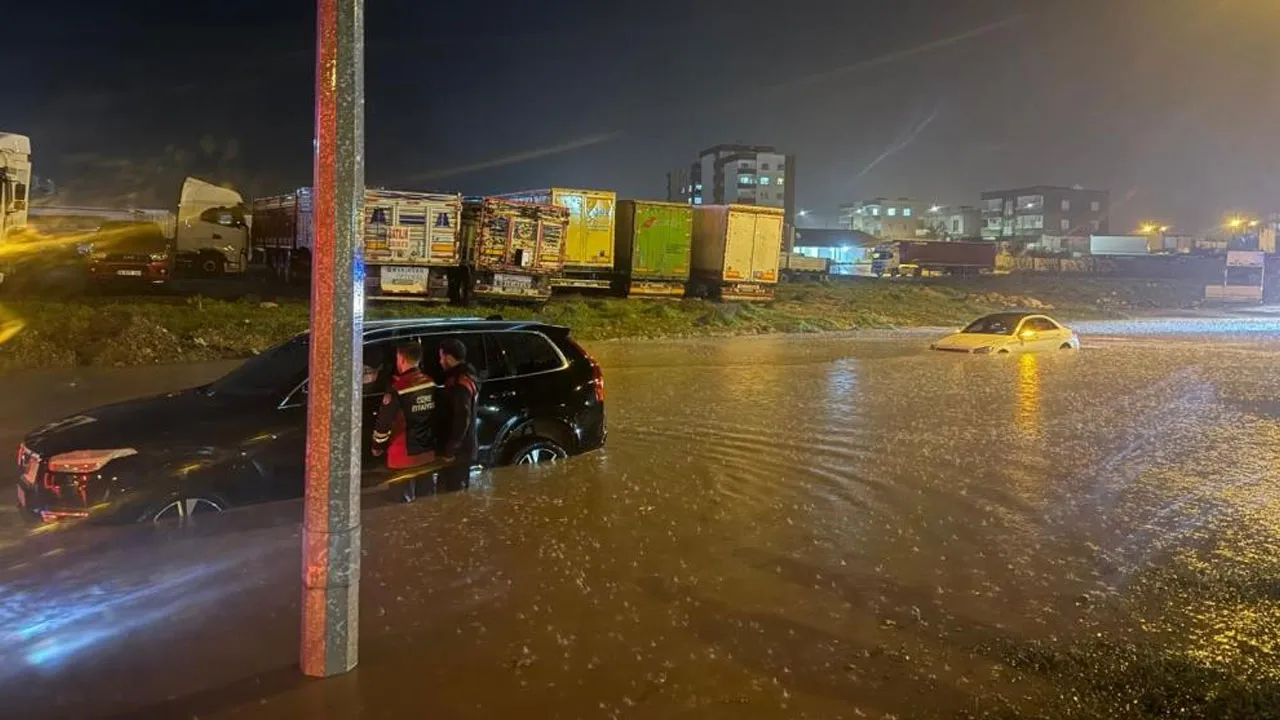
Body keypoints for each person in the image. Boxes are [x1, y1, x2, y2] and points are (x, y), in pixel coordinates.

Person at [371, 342, 438, 473]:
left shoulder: (398, 388)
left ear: (401, 359)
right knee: (426, 493)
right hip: (427, 454)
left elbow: (384, 423)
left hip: (402, 456)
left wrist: (377, 446)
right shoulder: (431, 383)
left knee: (399, 493)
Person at [436, 338, 480, 492]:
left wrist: (452, 448)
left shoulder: (461, 382)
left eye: (441, 357)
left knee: (453, 496)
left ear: (449, 357)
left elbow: (463, 417)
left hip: (459, 452)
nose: (440, 361)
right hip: (462, 449)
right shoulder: (464, 375)